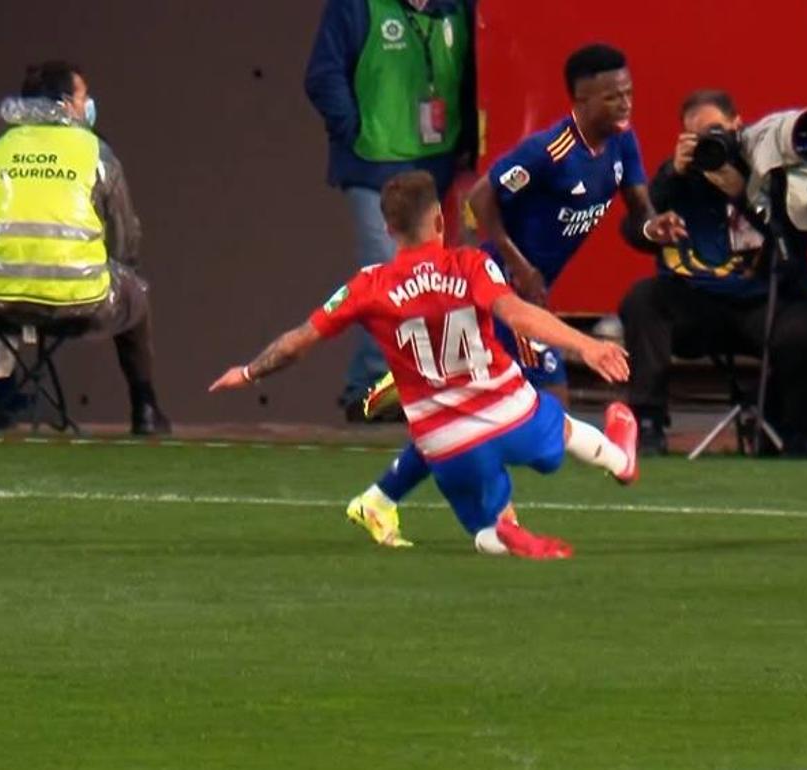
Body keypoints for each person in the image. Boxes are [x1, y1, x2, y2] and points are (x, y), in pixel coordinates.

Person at [344, 44, 683, 545]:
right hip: (502, 292)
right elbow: (482, 196)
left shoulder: (621, 142)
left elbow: (639, 213)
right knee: (545, 400)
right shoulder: (549, 152)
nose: (626, 103)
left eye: (629, 92)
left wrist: (656, 228)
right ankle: (576, 479)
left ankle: (385, 497)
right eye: (613, 97)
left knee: (468, 413)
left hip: (528, 293)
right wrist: (518, 264)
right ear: (581, 100)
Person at [211, 170, 639, 557]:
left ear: (388, 230)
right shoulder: (471, 264)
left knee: (484, 528)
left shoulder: (367, 287)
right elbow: (518, 315)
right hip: (510, 412)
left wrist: (248, 372)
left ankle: (501, 531)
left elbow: (298, 342)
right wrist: (586, 345)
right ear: (439, 221)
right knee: (562, 429)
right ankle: (621, 461)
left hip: (443, 440)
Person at [0, 60, 169, 434]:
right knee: (136, 294)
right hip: (80, 302)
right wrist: (117, 267)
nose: (89, 105)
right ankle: (144, 408)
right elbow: (125, 237)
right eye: (84, 97)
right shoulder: (96, 152)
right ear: (66, 104)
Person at [618, 89, 807, 455]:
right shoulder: (676, 177)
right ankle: (648, 421)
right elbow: (635, 230)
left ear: (737, 124)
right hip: (698, 302)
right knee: (643, 298)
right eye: (697, 136)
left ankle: (798, 431)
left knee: (804, 326)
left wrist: (745, 195)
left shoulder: (766, 170)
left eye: (716, 132)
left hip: (762, 301)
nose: (709, 143)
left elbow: (797, 243)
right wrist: (671, 175)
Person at [305, 0, 477, 419]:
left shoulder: (457, 6)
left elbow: (475, 74)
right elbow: (322, 75)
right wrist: (355, 130)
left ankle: (418, 386)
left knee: (436, 279)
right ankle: (371, 388)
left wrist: (470, 140)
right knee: (388, 274)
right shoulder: (355, 7)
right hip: (375, 165)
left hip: (439, 164)